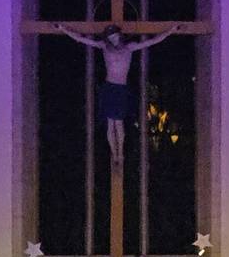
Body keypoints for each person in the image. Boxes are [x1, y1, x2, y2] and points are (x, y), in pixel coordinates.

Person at [54, 21, 183, 165]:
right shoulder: (105, 47)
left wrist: (170, 30)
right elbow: (82, 39)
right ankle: (114, 154)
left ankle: (120, 153)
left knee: (119, 124)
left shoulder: (129, 48)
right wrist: (64, 29)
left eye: (115, 36)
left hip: (121, 88)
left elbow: (153, 41)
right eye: (110, 37)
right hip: (109, 87)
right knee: (111, 124)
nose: (113, 40)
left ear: (120, 36)